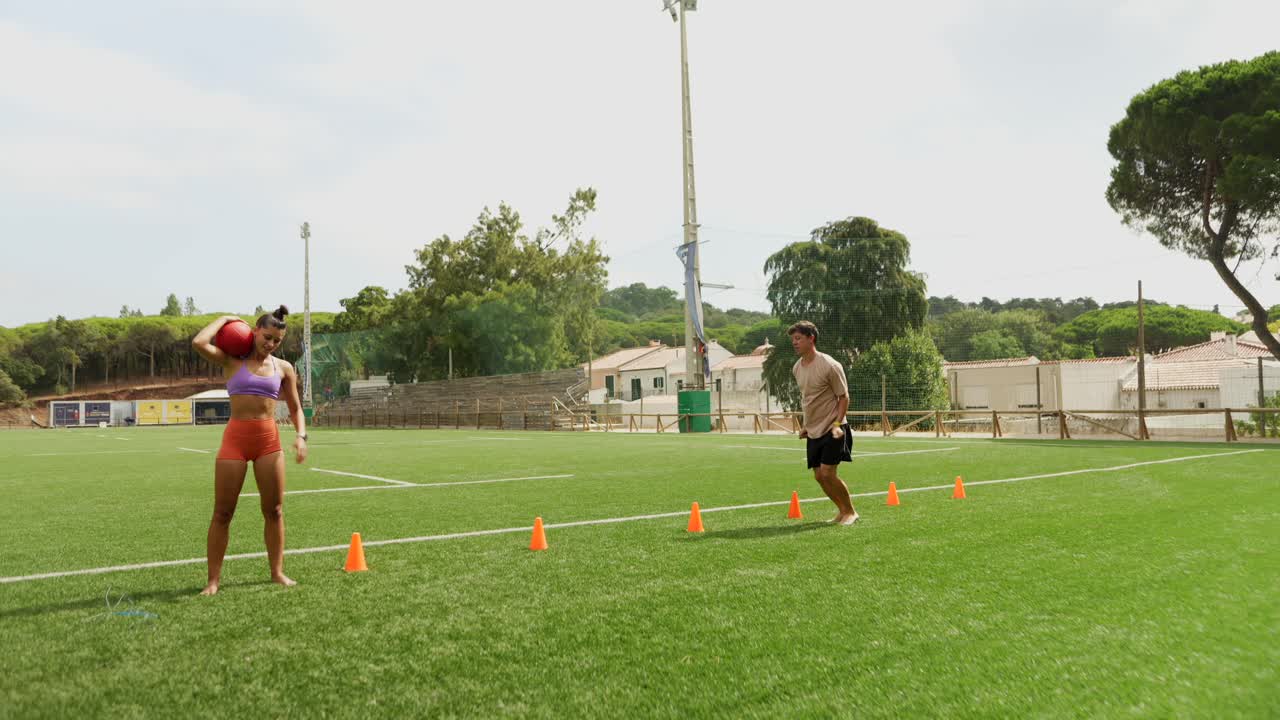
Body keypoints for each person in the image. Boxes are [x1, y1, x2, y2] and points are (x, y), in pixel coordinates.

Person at [191, 306, 308, 595]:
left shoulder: (284, 368)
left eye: (277, 341)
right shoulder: (231, 360)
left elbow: (295, 409)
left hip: (268, 442)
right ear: (254, 331)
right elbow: (199, 342)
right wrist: (227, 319)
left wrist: (302, 436)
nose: (270, 344)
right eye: (266, 337)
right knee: (222, 513)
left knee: (275, 510)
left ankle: (277, 572)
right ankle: (213, 581)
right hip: (235, 440)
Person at [789, 321, 858, 525]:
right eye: (793, 339)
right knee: (819, 476)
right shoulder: (796, 368)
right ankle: (842, 511)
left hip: (833, 427)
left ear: (811, 338)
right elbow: (809, 399)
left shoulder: (830, 365)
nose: (794, 342)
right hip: (813, 430)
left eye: (798, 338)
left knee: (828, 472)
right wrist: (806, 425)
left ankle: (850, 512)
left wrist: (837, 424)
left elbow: (843, 397)